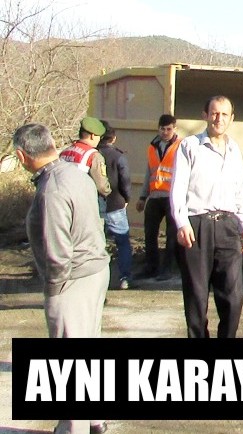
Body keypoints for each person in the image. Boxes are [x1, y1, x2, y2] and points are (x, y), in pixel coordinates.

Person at [14, 123, 110, 434]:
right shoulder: (74, 173)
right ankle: (94, 420)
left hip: (72, 279)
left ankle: (73, 428)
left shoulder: (52, 189)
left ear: (22, 156)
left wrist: (53, 291)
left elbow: (58, 251)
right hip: (94, 269)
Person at [170, 96, 243, 338]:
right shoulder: (189, 146)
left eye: (224, 114)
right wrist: (182, 223)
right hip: (197, 227)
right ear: (205, 115)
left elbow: (240, 191)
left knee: (233, 296)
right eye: (215, 113)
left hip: (228, 227)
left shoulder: (234, 149)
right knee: (196, 297)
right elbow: (178, 188)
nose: (219, 119)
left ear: (232, 118)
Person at [136, 114, 182, 281]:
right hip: (155, 196)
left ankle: (167, 269)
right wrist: (143, 196)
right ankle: (151, 267)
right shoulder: (152, 147)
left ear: (174, 129)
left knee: (171, 236)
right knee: (150, 233)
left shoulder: (181, 146)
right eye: (162, 129)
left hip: (172, 197)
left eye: (169, 129)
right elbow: (149, 172)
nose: (165, 132)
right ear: (158, 129)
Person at [97, 123, 134, 289]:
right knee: (123, 243)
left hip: (95, 205)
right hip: (116, 203)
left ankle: (98, 280)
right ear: (113, 138)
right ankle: (125, 278)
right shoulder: (118, 156)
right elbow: (125, 180)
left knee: (97, 244)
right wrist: (126, 198)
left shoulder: (92, 155)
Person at [60, 116, 112, 206]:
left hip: (62, 200)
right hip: (83, 202)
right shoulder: (93, 155)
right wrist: (108, 192)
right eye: (99, 137)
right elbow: (102, 187)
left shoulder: (64, 152)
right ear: (92, 136)